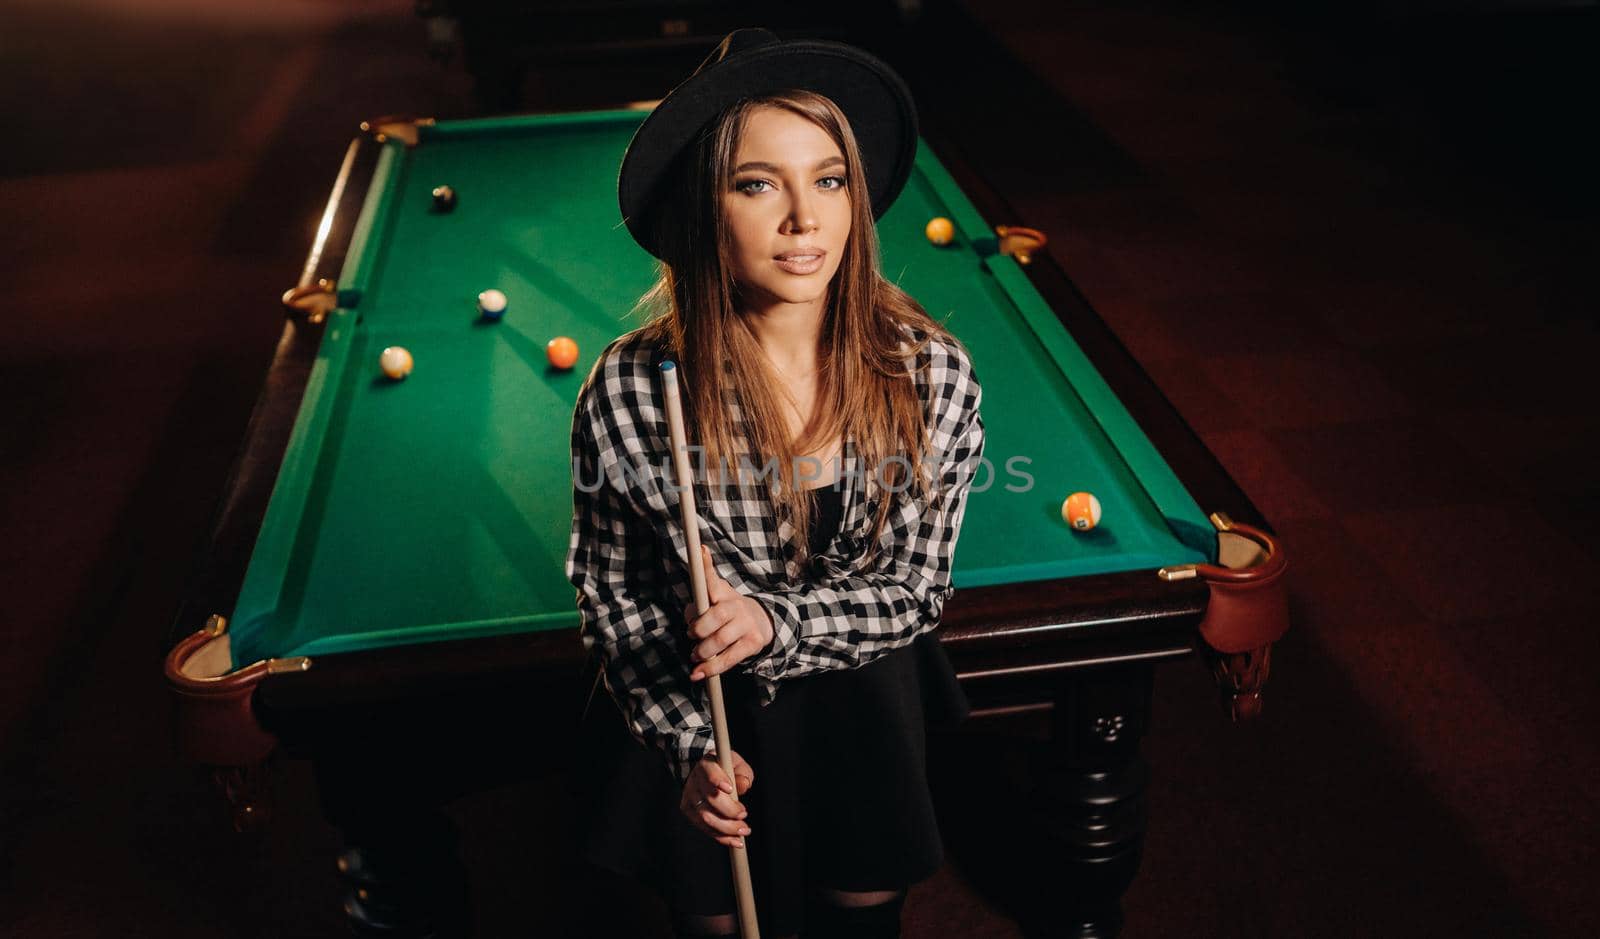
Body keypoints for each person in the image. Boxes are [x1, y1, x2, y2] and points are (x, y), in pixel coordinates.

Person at [565, 27, 986, 939]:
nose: (806, 218)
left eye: (829, 179)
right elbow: (617, 596)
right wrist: (687, 745)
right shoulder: (635, 386)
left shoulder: (930, 372)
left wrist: (772, 621)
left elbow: (914, 591)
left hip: (862, 697)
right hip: (705, 710)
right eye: (758, 183)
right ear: (704, 204)